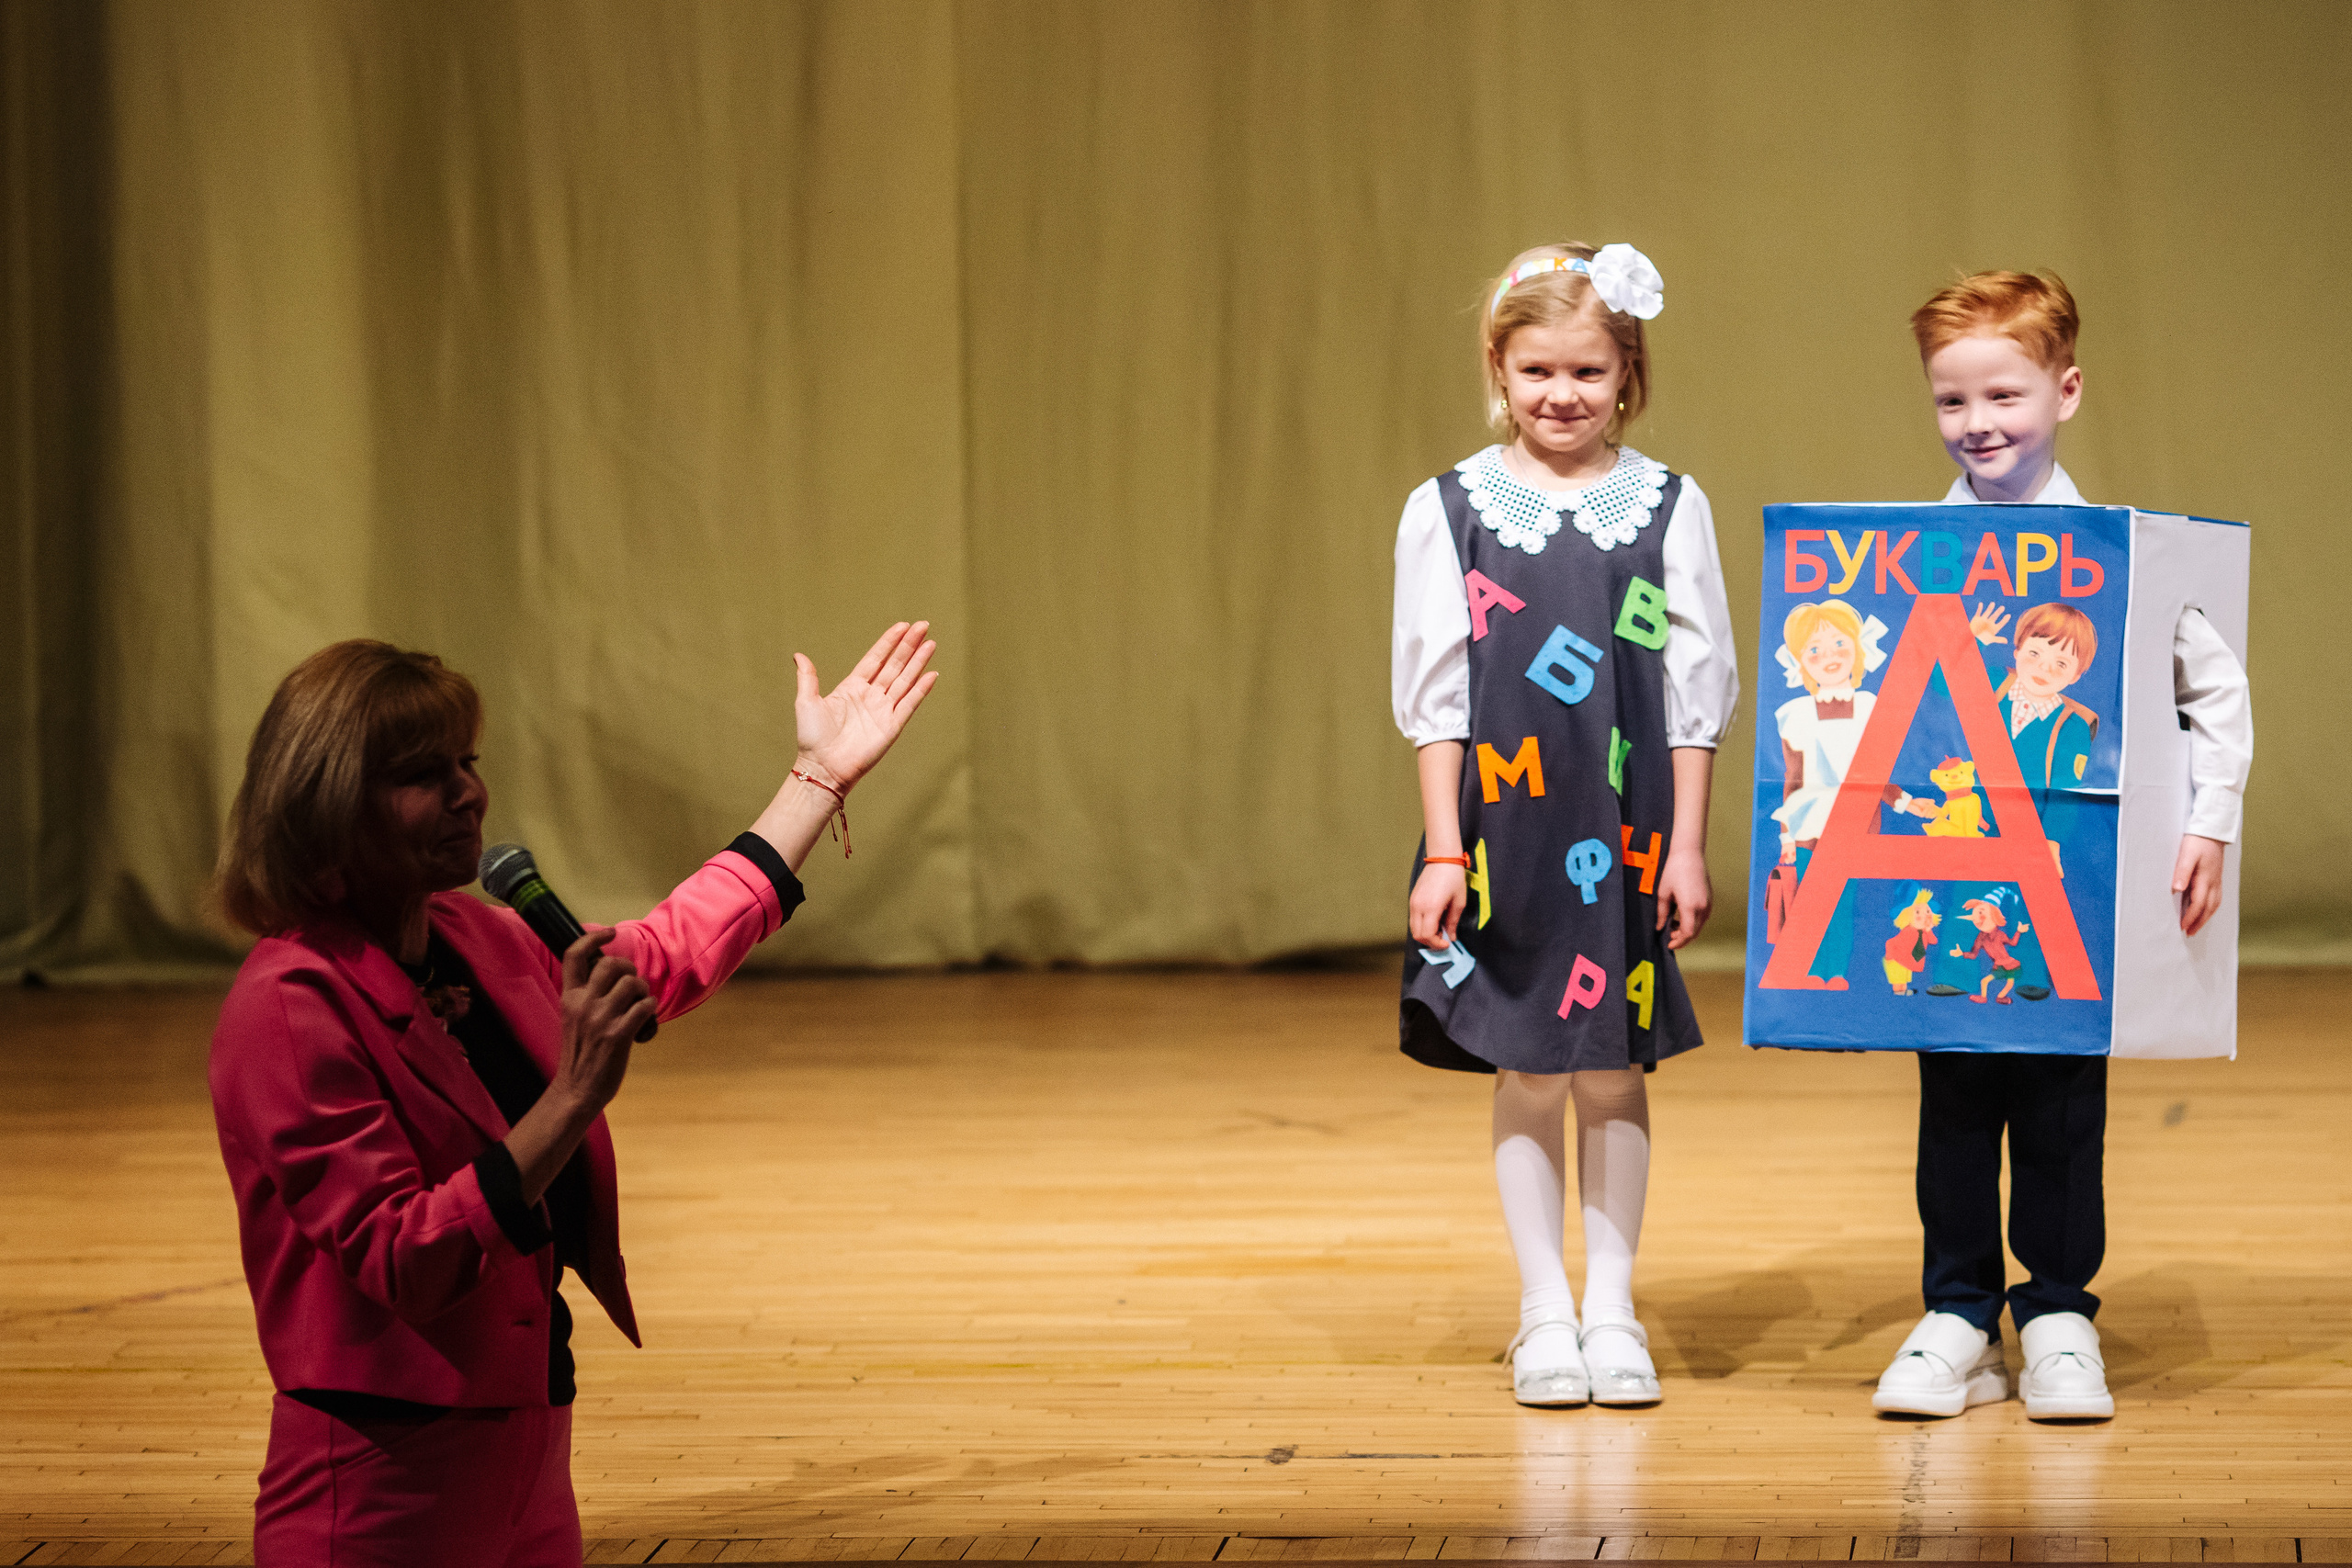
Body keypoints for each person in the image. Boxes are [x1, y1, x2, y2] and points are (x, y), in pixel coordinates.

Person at [209, 623, 937, 1565]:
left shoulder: (474, 937)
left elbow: (668, 950)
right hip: (383, 1478)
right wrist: (571, 1097)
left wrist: (817, 781)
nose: (468, 792)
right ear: (330, 806)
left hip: (528, 1441)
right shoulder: (289, 1005)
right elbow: (406, 1258)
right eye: (424, 774)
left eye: (466, 761)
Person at [1870, 271, 2253, 1422]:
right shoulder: (1906, 555)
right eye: (1951, 401)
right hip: (1950, 880)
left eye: (2003, 393)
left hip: (2074, 891)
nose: (1977, 422)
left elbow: (2214, 692)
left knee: (2057, 1107)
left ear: (2065, 390)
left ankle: (2055, 1313)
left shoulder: (2128, 557)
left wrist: (2207, 821)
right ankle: (1955, 1313)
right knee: (1952, 1105)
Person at [1392, 242, 1738, 1408]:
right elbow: (1435, 697)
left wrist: (1686, 840)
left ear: (1625, 373)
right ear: (1499, 365)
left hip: (1629, 825)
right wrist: (1445, 847)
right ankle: (1544, 1308)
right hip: (1505, 833)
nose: (1561, 394)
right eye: (1537, 367)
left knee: (1613, 1069)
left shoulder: (1670, 506)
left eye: (1588, 371)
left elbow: (1697, 694)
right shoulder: (1448, 510)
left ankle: (1613, 1308)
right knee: (1528, 1066)